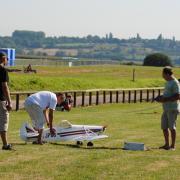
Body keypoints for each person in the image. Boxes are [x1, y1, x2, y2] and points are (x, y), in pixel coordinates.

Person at [155, 67, 180, 150]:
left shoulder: (175, 82)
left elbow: (177, 96)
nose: (162, 76)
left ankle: (172, 146)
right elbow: (167, 94)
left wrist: (165, 99)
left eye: (163, 74)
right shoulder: (167, 82)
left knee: (172, 127)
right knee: (164, 127)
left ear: (167, 74)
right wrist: (160, 97)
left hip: (173, 108)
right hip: (165, 108)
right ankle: (166, 145)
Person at [0, 52, 12, 150]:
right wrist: (9, 101)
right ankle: (5, 144)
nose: (7, 60)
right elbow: (5, 86)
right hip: (1, 99)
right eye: (6, 58)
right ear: (3, 59)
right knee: (3, 121)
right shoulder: (3, 70)